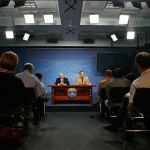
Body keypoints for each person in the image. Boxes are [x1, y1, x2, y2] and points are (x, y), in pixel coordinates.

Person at [103, 52, 150, 133]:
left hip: (141, 111)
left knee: (126, 100)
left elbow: (131, 105)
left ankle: (126, 133)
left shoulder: (136, 83)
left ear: (138, 65)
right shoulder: (130, 82)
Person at [0, 51, 29, 135]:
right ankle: (24, 136)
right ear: (15, 65)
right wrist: (27, 110)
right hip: (13, 112)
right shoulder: (17, 81)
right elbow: (24, 100)